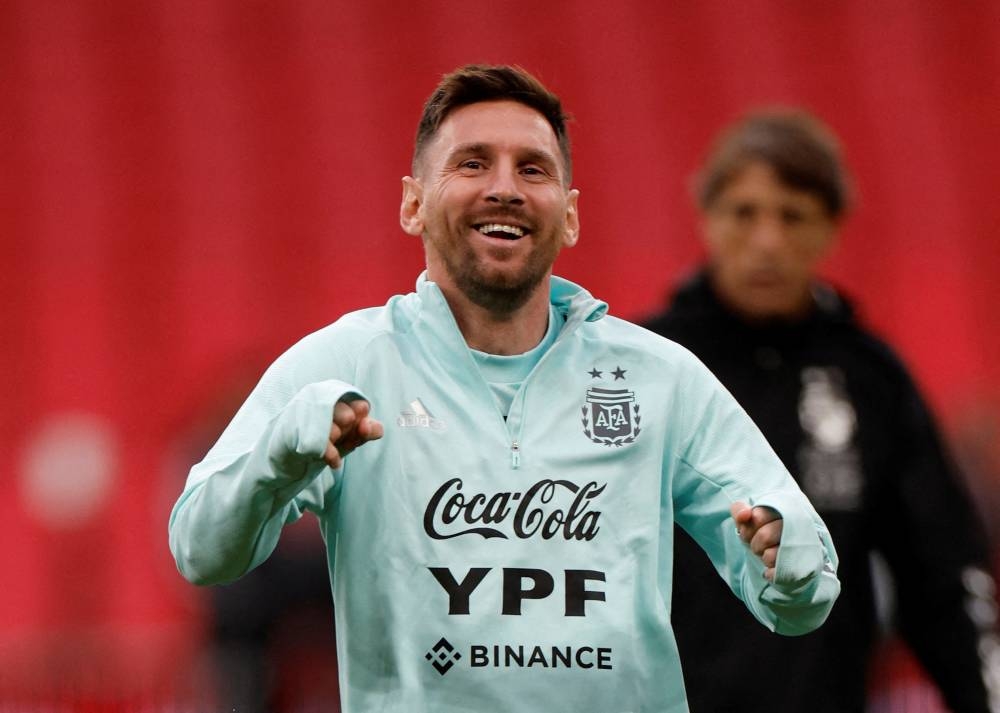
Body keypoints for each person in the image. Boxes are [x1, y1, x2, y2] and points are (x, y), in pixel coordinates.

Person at [169, 65, 840, 713]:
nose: (504, 188)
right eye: (472, 163)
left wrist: (794, 566)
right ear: (412, 203)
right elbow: (201, 551)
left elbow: (795, 600)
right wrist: (276, 464)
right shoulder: (341, 366)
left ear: (570, 216)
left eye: (532, 168)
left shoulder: (661, 378)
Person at [643, 109, 1000, 713]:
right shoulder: (646, 367)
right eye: (744, 213)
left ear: (830, 229)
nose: (766, 240)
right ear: (707, 220)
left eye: (792, 216)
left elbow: (942, 578)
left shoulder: (870, 378)